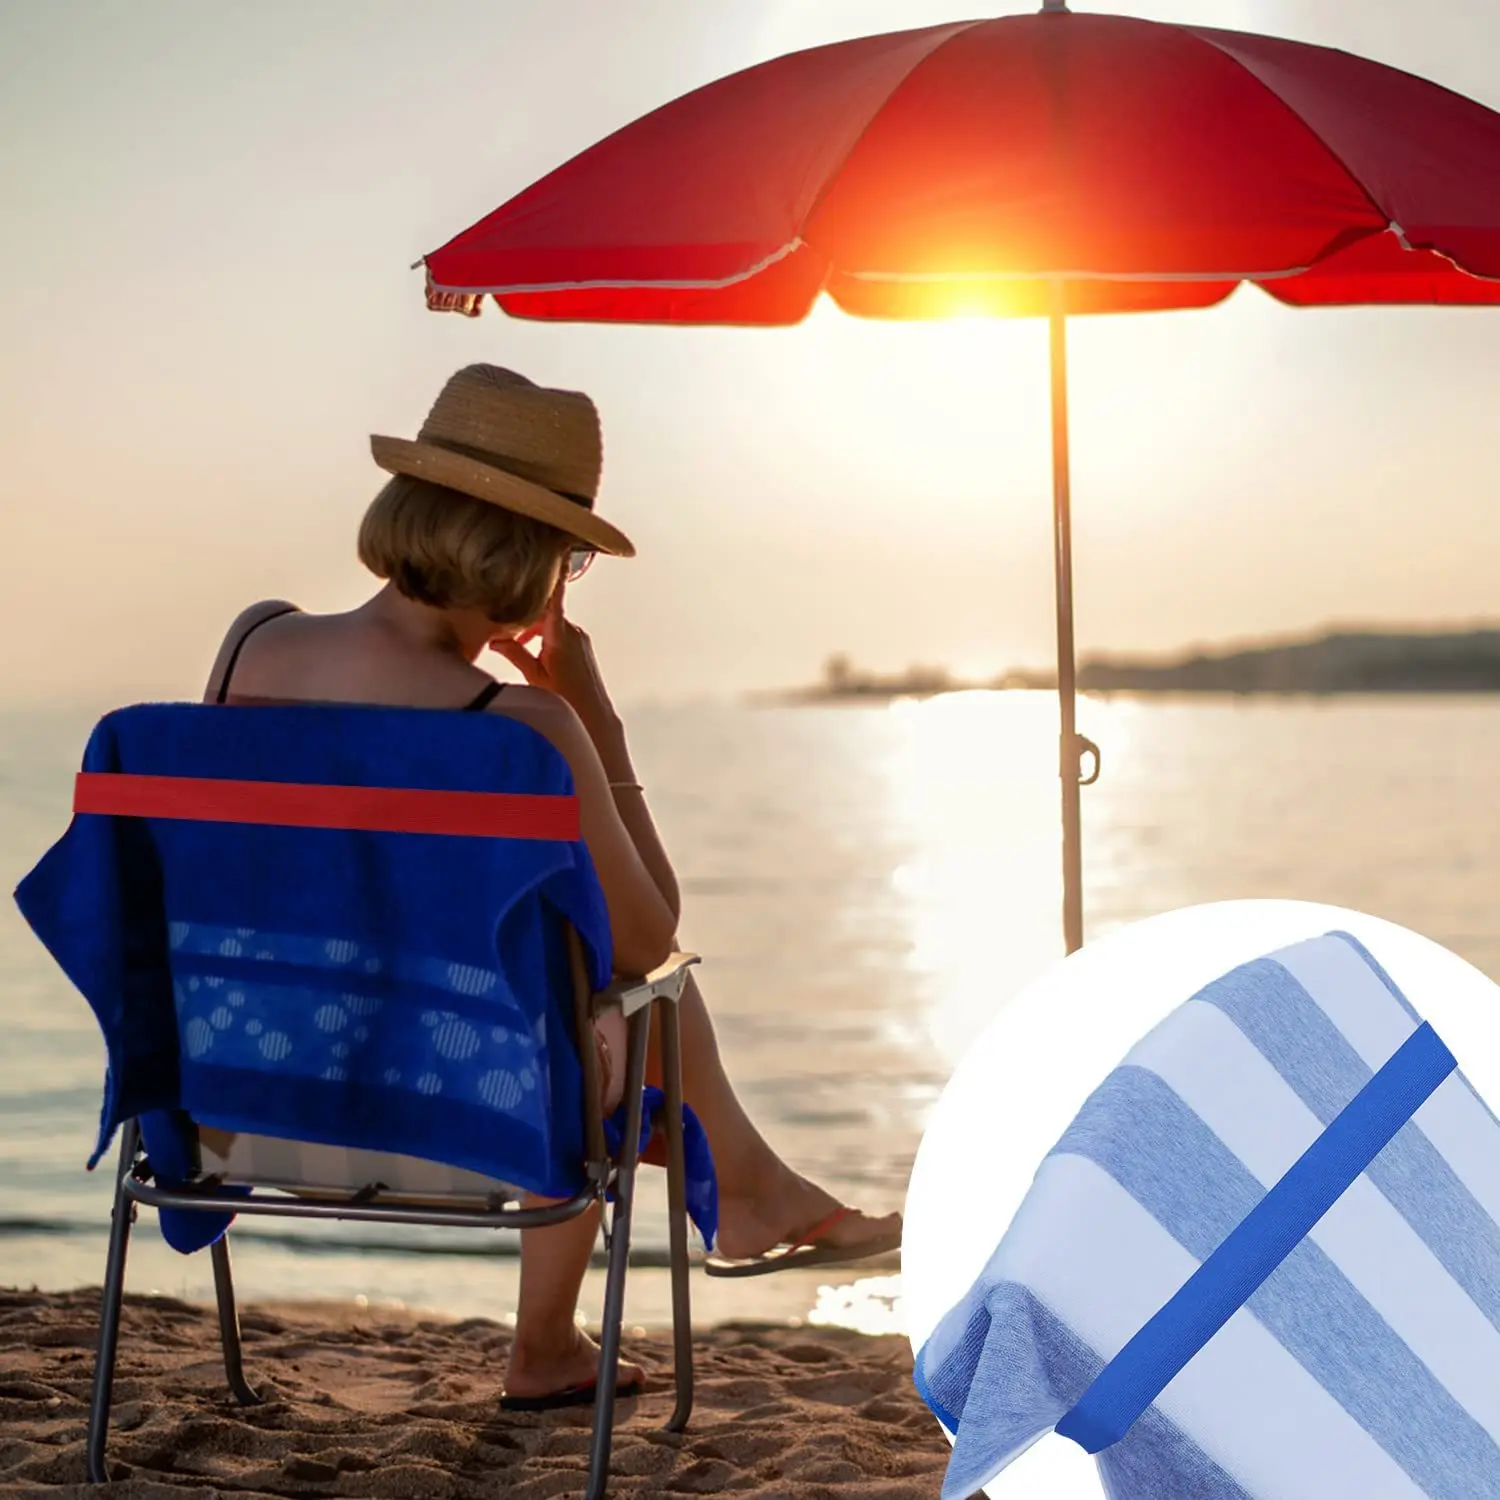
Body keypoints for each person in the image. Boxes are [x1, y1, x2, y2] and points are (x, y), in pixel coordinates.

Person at [203, 364, 903, 1408]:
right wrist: (597, 724)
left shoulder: (253, 644)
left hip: (244, 1093)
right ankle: (572, 1327)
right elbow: (651, 935)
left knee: (566, 990)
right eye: (572, 553)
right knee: (639, 990)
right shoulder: (522, 730)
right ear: (539, 560)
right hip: (467, 1115)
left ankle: (752, 1193)